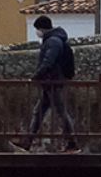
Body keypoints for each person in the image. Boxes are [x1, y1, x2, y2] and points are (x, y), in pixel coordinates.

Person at [12, 15, 78, 152]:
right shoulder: (55, 39)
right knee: (39, 111)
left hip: (53, 81)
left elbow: (48, 61)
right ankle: (28, 142)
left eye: (37, 29)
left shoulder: (52, 41)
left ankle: (72, 143)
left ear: (42, 28)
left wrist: (36, 76)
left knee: (61, 112)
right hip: (51, 82)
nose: (37, 32)